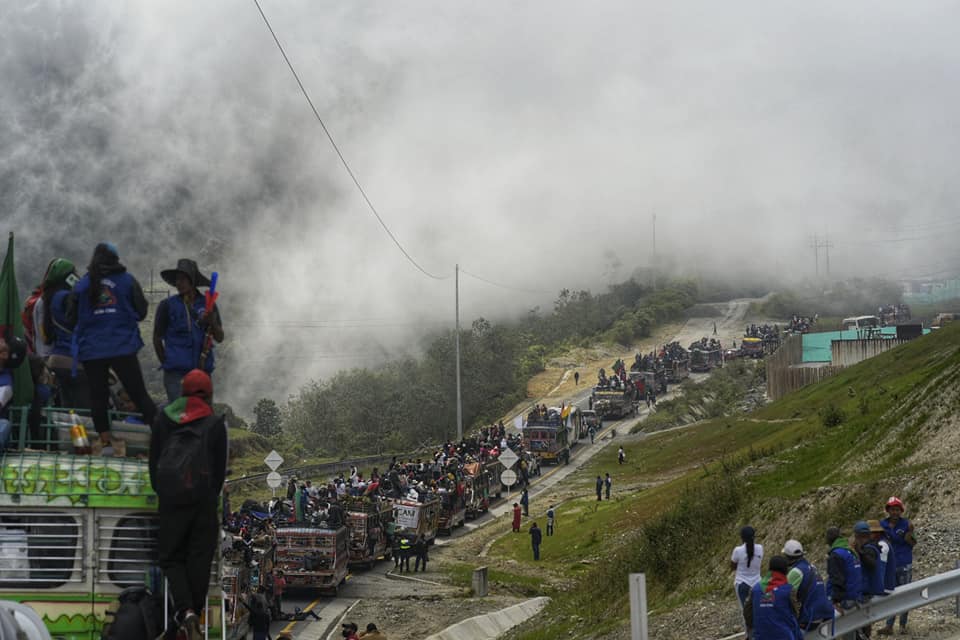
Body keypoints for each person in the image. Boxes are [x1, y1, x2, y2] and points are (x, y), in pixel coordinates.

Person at [148, 369, 227, 640]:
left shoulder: (163, 418)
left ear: (182, 392)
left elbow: (154, 462)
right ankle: (193, 617)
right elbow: (219, 472)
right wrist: (208, 497)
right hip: (203, 502)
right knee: (199, 559)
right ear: (209, 394)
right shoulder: (215, 424)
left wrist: (165, 492)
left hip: (171, 500)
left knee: (170, 557)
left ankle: (186, 612)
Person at [67, 243, 156, 450]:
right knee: (138, 393)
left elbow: (71, 318)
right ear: (115, 259)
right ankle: (159, 436)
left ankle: (105, 441)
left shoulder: (81, 285)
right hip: (122, 346)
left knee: (98, 395)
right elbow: (141, 311)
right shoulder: (127, 281)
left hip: (92, 349)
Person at [153, 259, 224, 403]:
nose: (178, 283)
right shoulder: (167, 305)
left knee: (202, 414)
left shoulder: (208, 304)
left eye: (183, 279)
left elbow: (220, 337)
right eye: (177, 280)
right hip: (176, 375)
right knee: (179, 413)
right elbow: (157, 338)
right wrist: (168, 363)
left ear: (192, 280)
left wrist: (212, 321)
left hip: (202, 373)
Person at [880, 497, 916, 635]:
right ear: (888, 510)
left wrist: (909, 535)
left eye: (897, 509)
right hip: (889, 564)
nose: (895, 512)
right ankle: (889, 626)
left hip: (904, 563)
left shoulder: (907, 524)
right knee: (891, 594)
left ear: (901, 511)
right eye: (892, 509)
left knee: (905, 594)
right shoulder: (882, 525)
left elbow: (913, 543)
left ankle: (902, 625)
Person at [782, 539, 834, 632]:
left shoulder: (796, 572)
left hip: (810, 617)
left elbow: (784, 596)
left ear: (788, 557)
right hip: (826, 613)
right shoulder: (812, 567)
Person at [826, 526, 862, 639]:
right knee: (852, 630)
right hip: (855, 595)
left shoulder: (836, 555)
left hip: (845, 599)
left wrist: (836, 601)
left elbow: (837, 580)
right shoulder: (849, 550)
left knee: (845, 632)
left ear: (829, 539)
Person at [731, 525, 764, 638]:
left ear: (742, 538)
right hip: (757, 583)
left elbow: (733, 566)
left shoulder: (737, 551)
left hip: (742, 583)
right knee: (758, 609)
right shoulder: (760, 548)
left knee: (745, 611)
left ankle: (750, 636)